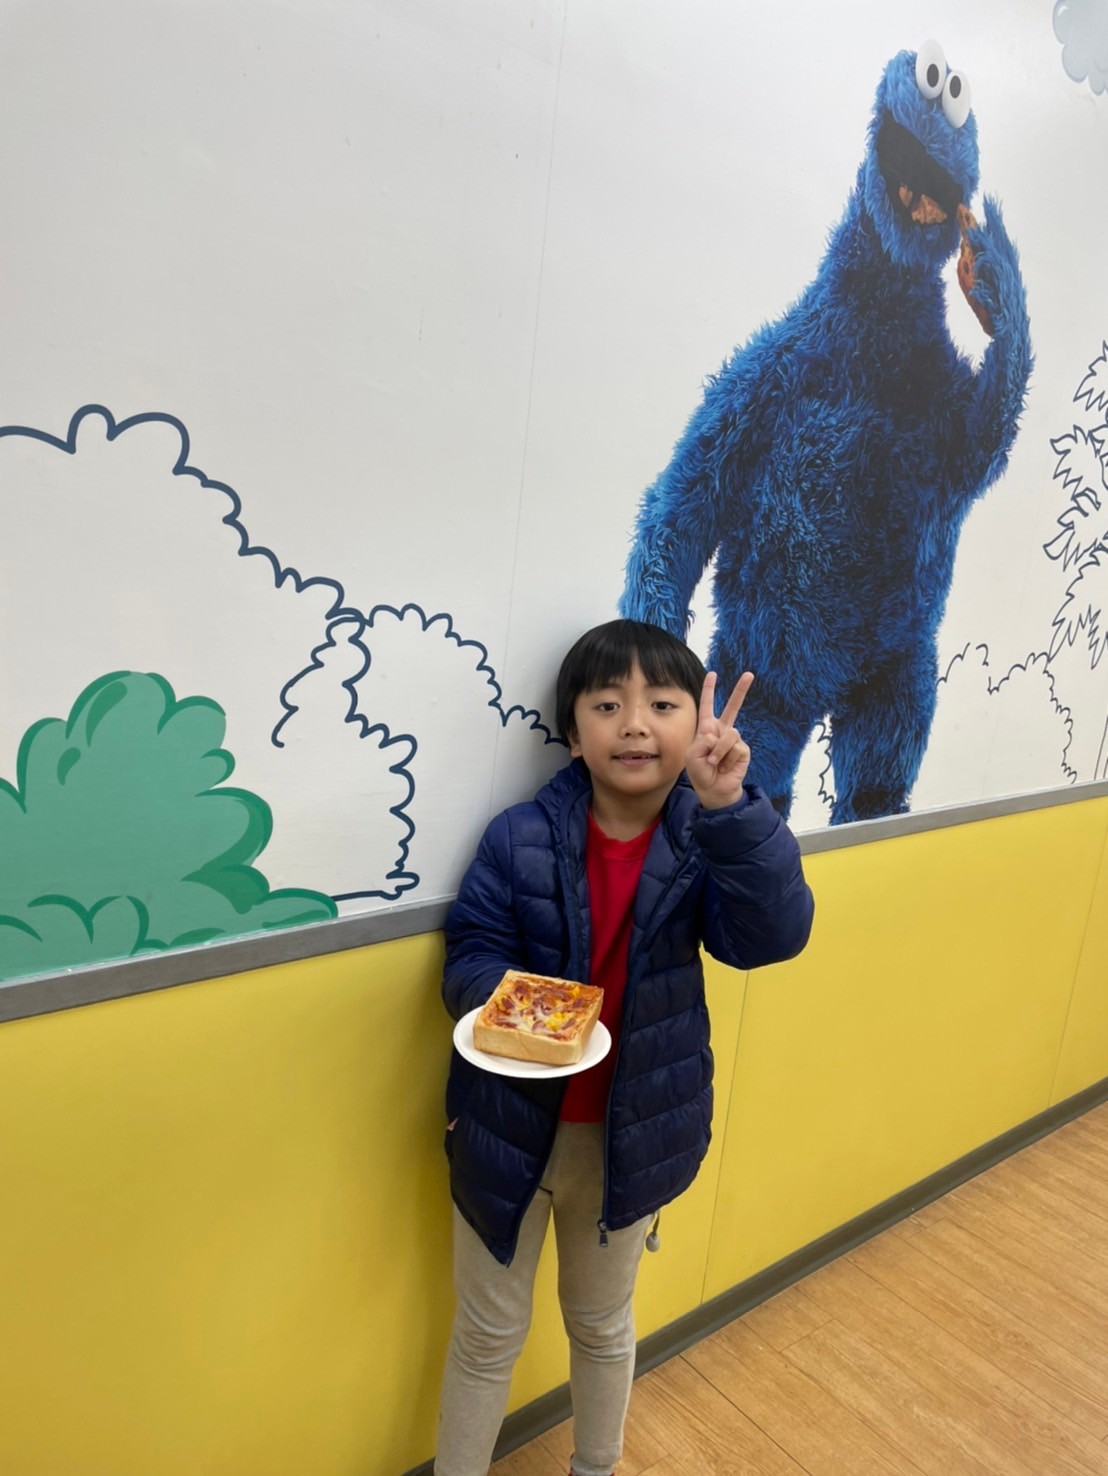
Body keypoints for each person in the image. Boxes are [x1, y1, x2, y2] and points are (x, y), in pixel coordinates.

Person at [435, 618, 814, 1476]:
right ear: (574, 734)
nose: (635, 724)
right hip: (503, 1126)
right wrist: (517, 1008)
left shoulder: (709, 839)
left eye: (662, 705)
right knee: (487, 1332)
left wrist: (730, 810)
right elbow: (471, 952)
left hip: (630, 1137)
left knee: (601, 1324)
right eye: (607, 705)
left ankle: (596, 1467)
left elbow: (772, 937)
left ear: (695, 726)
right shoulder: (517, 836)